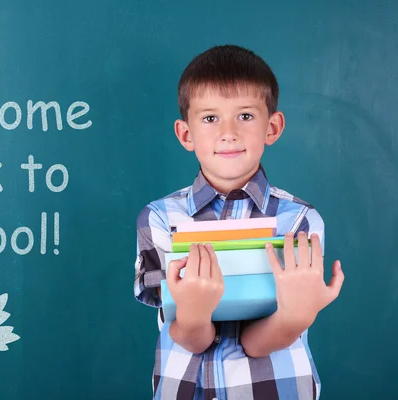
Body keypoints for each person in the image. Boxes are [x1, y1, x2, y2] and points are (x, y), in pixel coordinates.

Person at [133, 44, 345, 400]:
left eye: (245, 116)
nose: (228, 132)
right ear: (186, 134)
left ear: (272, 127)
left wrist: (294, 319)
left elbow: (256, 343)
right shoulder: (160, 219)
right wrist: (195, 315)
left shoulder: (299, 221)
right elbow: (187, 337)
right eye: (210, 118)